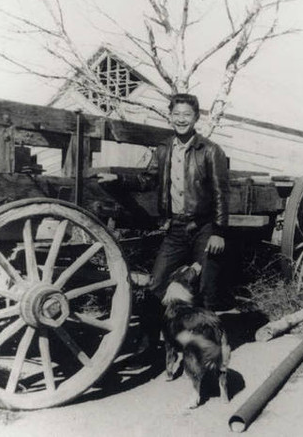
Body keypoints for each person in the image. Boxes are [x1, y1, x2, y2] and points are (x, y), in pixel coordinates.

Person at [99, 93, 231, 353]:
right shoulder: (164, 149)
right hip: (176, 229)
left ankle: (204, 348)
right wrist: (120, 180)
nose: (181, 120)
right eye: (177, 114)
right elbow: (148, 180)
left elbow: (220, 192)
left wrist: (218, 231)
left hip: (204, 227)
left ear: (196, 118)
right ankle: (148, 344)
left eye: (187, 115)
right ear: (170, 116)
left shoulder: (210, 151)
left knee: (205, 288)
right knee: (156, 284)